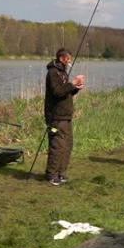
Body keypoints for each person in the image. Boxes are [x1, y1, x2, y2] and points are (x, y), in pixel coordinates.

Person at [44, 48, 84, 186]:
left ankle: (61, 173)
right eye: (68, 59)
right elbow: (57, 91)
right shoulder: (53, 73)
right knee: (57, 146)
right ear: (62, 58)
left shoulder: (63, 72)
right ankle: (51, 175)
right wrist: (71, 84)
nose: (69, 62)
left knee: (67, 145)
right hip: (56, 117)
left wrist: (76, 88)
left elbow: (65, 93)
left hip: (66, 116)